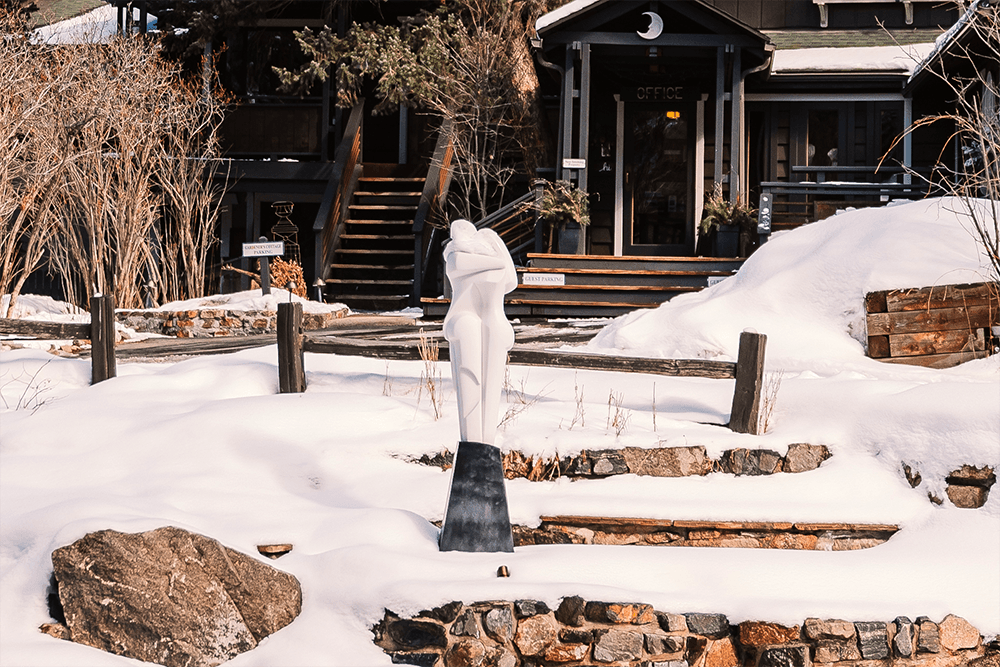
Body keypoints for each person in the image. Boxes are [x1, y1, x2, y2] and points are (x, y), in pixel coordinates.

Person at [442, 219, 517, 445]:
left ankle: (484, 447)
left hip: (494, 323)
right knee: (470, 382)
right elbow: (460, 264)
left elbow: (511, 280)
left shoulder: (494, 265)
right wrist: (496, 261)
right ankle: (473, 444)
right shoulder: (454, 256)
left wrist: (495, 260)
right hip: (464, 321)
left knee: (490, 391)